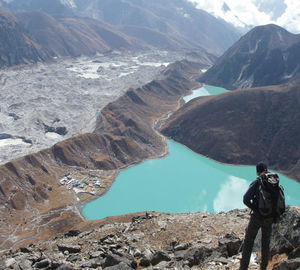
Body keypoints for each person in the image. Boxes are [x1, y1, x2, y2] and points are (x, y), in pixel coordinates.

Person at [239, 162, 274, 270]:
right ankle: (263, 267)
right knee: (266, 242)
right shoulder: (274, 181)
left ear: (258, 171)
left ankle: (243, 267)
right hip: (270, 217)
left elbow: (245, 198)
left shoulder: (257, 181)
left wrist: (254, 208)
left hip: (257, 217)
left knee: (249, 241)